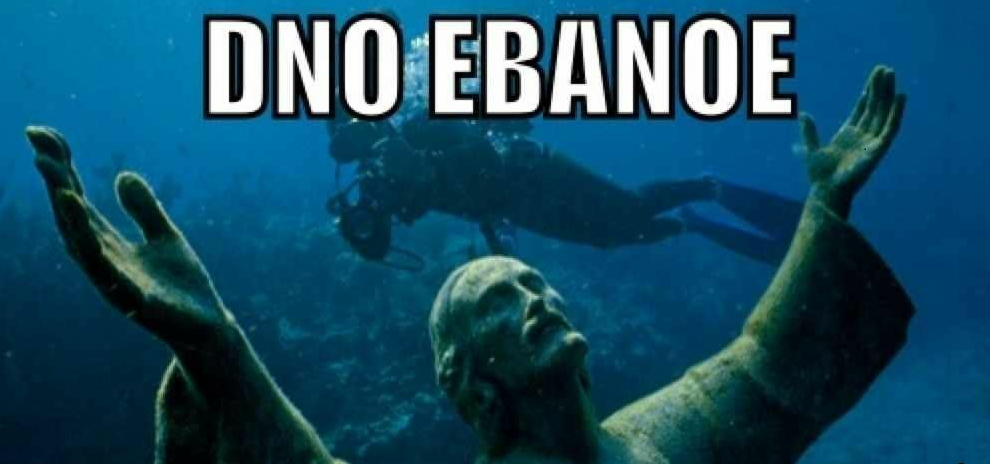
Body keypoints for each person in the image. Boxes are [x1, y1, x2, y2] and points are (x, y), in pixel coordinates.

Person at [25, 65, 908, 464]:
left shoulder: (663, 439)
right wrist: (217, 346)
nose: (534, 298)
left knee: (625, 222)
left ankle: (701, 192)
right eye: (496, 303)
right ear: (463, 377)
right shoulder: (392, 167)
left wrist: (823, 211)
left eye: (533, 285)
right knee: (627, 228)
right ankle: (689, 211)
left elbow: (765, 372)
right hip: (516, 200)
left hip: (533, 181)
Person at [326, 104, 803, 267]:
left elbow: (477, 147)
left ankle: (707, 187)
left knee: (628, 209)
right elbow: (466, 201)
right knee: (607, 237)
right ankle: (688, 221)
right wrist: (498, 240)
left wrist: (422, 162)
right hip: (512, 203)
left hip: (529, 168)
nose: (379, 207)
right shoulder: (393, 192)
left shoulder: (412, 134)